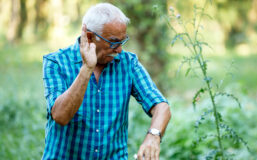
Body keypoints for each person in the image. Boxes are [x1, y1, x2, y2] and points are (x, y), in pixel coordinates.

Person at [42, 3, 171, 160]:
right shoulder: (56, 62)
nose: (119, 50)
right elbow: (61, 116)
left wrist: (154, 136)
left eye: (123, 42)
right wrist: (86, 69)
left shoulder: (128, 63)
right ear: (89, 37)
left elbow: (161, 106)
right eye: (114, 42)